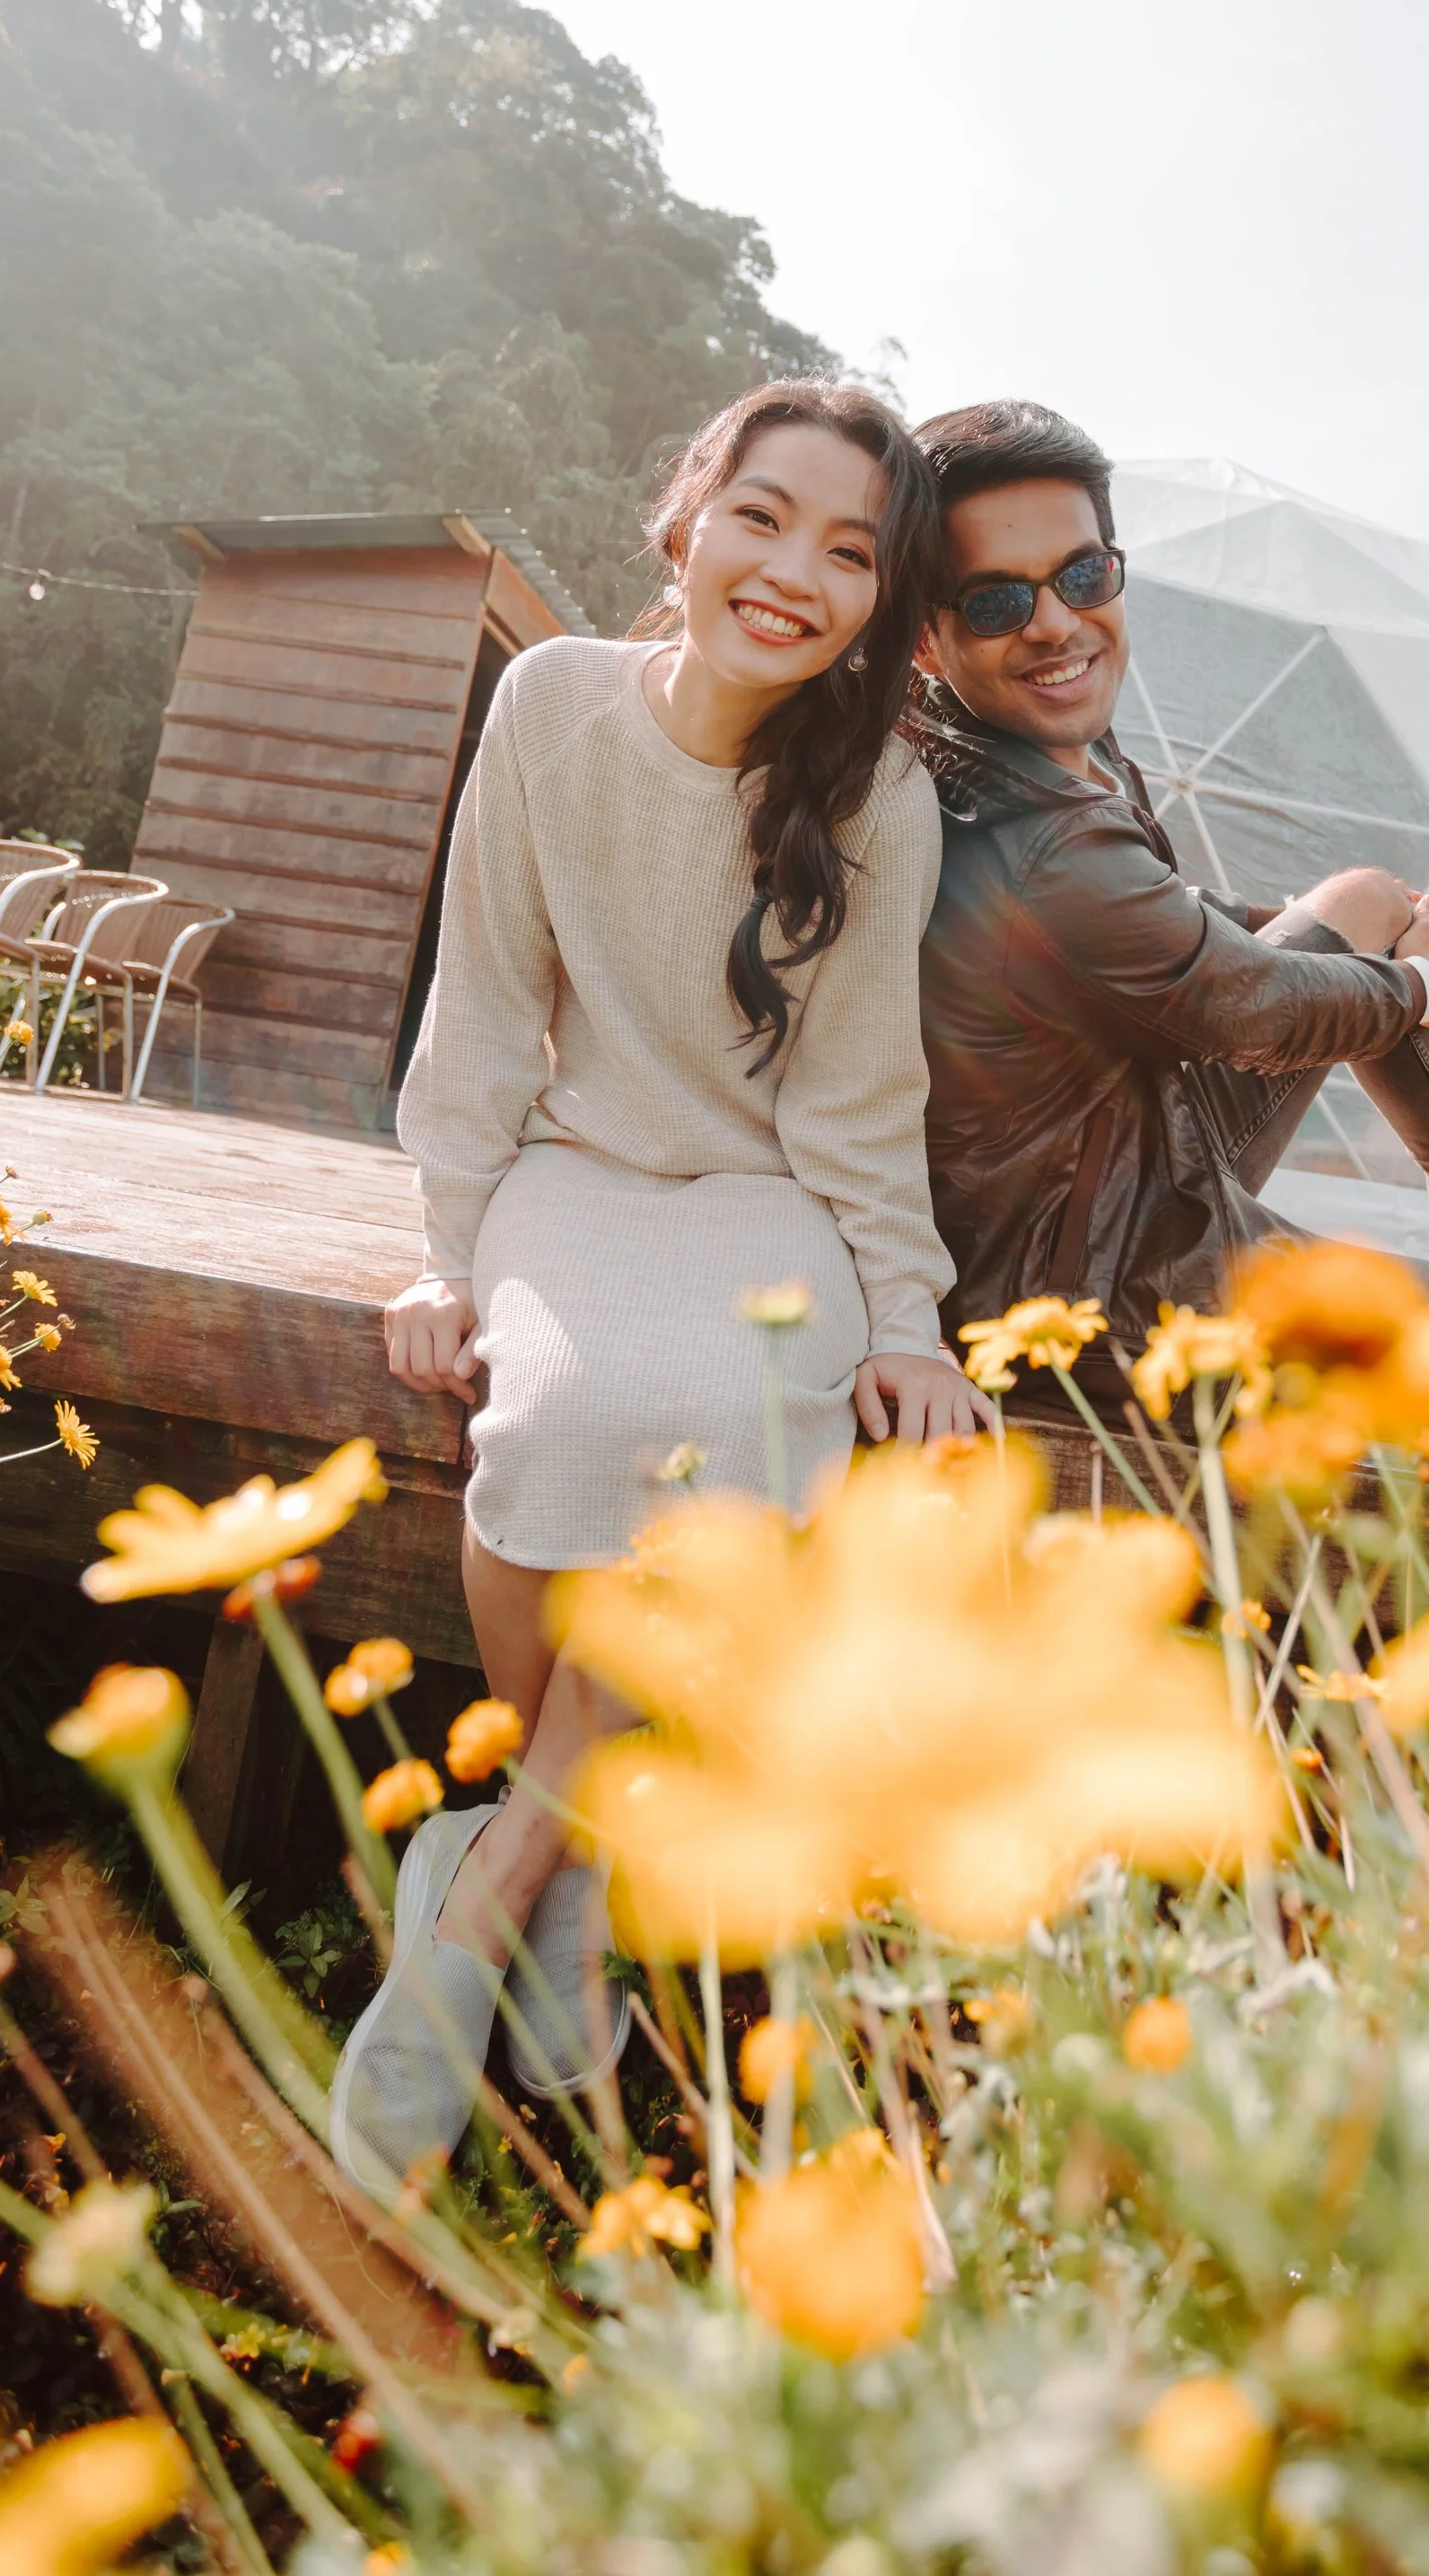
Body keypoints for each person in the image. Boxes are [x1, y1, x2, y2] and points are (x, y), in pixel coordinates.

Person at [333, 379, 979, 2191]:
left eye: (851, 554)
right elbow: (479, 1011)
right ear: (684, 515)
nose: (793, 572)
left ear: (873, 602)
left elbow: (858, 1099)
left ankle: (495, 1883)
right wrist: (441, 1253)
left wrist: (909, 1324)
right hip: (577, 1178)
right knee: (554, 1415)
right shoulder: (548, 709)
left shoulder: (878, 795)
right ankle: (565, 1863)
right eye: (762, 516)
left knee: (728, 1422)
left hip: (763, 1201)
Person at [907, 399, 1429, 1424]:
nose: (1054, 621)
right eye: (992, 603)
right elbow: (1249, 1012)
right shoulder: (1027, 827)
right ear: (926, 640)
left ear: (1114, 568)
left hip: (1125, 1159)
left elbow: (1157, 919)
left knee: (1363, 901)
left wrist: (1346, 934)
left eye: (1082, 576)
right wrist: (1413, 989)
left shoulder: (1051, 749)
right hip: (1102, 1285)